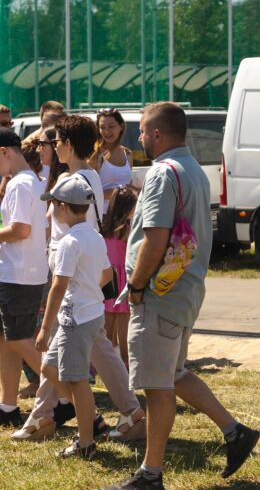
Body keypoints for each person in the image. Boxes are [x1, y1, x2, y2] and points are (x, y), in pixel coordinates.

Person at [105, 102, 259, 490]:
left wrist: (136, 287)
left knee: (158, 387)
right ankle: (235, 432)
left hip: (159, 295)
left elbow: (155, 238)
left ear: (158, 134)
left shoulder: (162, 173)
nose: (140, 137)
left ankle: (150, 474)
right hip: (183, 292)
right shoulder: (192, 169)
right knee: (173, 375)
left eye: (143, 131)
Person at [14, 117, 145, 444]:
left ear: (69, 144)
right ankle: (127, 412)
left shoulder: (75, 180)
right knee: (93, 350)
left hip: (72, 278)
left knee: (59, 354)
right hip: (80, 277)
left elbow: (70, 232)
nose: (53, 147)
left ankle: (49, 417)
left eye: (57, 141)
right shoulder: (85, 176)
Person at [35, 177, 113, 460]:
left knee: (77, 381)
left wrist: (45, 328)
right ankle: (89, 416)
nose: (52, 210)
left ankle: (86, 442)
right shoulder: (94, 236)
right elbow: (106, 274)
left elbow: (58, 286)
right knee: (49, 368)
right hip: (88, 314)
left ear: (63, 207)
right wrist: (89, 289)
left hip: (76, 319)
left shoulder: (69, 242)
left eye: (53, 204)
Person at [0, 130, 48, 429]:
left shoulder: (19, 184)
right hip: (20, 273)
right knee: (7, 342)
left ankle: (71, 398)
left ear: (4, 152)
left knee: (19, 340)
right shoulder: (28, 180)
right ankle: (7, 407)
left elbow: (20, 230)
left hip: (19, 275)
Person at [102, 186, 138, 366]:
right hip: (123, 277)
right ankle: (125, 359)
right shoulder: (128, 229)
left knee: (109, 319)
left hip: (108, 276)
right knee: (124, 319)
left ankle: (107, 359)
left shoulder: (105, 227)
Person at [89, 108, 133, 202]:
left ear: (121, 126)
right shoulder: (95, 154)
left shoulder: (128, 153)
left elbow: (129, 186)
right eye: (102, 127)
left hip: (125, 210)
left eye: (111, 126)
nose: (106, 131)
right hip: (102, 211)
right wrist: (115, 193)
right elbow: (87, 194)